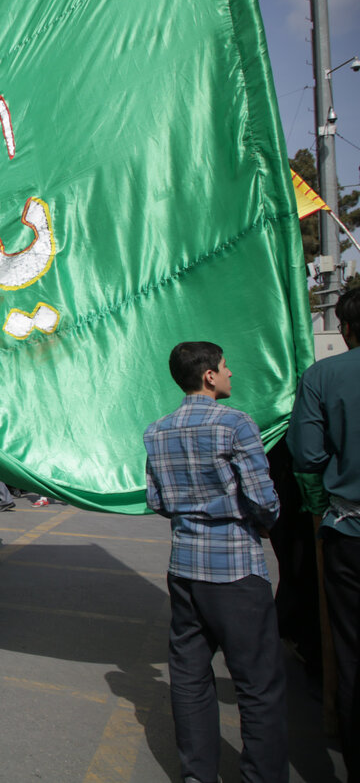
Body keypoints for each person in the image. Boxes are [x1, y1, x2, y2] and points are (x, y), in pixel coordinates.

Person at [143, 341, 286, 783]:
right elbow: (263, 500)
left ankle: (197, 775)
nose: (230, 374)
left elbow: (158, 500)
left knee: (189, 679)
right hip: (236, 569)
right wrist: (263, 520)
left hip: (184, 568)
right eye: (226, 367)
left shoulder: (157, 430)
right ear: (209, 375)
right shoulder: (237, 424)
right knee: (257, 685)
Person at [287, 287, 360, 780]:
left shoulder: (323, 375)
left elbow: (307, 455)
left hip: (350, 533)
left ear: (346, 328)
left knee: (352, 651)